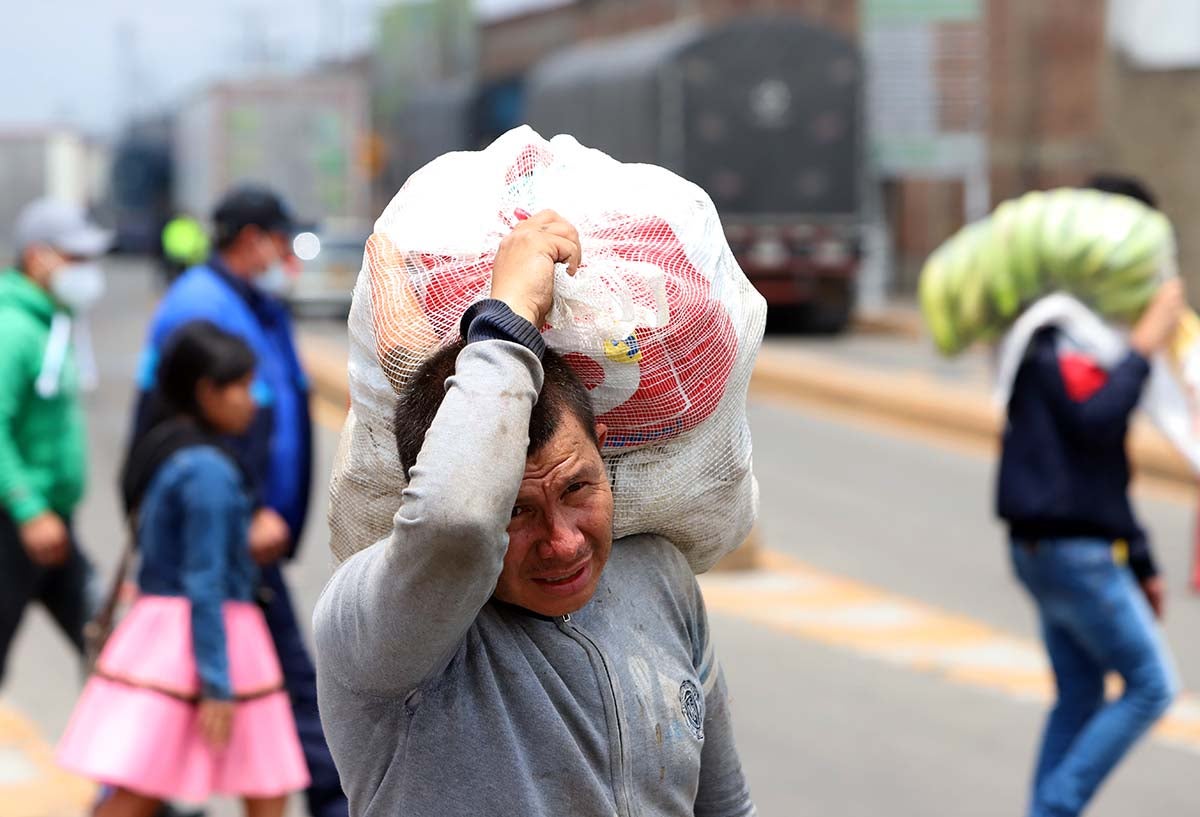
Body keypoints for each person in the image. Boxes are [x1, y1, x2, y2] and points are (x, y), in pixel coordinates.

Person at [314, 210, 755, 817]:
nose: (564, 542)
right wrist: (508, 314)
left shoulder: (659, 577)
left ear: (603, 450)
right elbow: (455, 521)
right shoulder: (384, 627)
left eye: (577, 490)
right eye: (516, 511)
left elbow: (723, 806)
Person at [134, 186, 346, 817]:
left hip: (243, 531)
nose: (289, 257)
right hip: (225, 529)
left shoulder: (256, 303)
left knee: (268, 692)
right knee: (279, 686)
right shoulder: (201, 306)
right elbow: (173, 422)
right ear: (252, 240)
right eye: (282, 242)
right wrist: (248, 509)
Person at [58, 321, 309, 817]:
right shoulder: (208, 471)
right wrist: (216, 685)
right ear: (207, 391)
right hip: (211, 636)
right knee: (261, 783)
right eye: (242, 387)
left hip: (166, 635)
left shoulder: (168, 448)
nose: (253, 401)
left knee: (145, 782)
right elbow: (205, 579)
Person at [998, 176, 1182, 817]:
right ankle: (1054, 807)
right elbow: (1098, 423)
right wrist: (1145, 344)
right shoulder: (1063, 334)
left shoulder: (1068, 334)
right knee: (1152, 687)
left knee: (1079, 693)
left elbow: (1101, 469)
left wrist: (1143, 560)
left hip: (1055, 546)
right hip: (1071, 552)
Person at [0, 198, 111, 685]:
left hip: (52, 524)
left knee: (108, 643)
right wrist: (27, 508)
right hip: (16, 522)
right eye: (75, 258)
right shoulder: (13, 329)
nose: (86, 270)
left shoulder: (53, 321)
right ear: (37, 257)